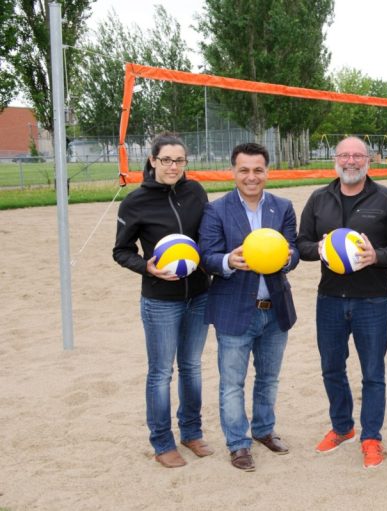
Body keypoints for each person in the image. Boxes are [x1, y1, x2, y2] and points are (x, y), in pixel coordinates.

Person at [296, 136, 387, 469]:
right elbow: (300, 244)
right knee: (332, 368)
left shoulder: (386, 199)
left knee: (373, 372)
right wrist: (318, 249)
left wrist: (377, 256)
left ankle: (371, 437)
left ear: (368, 160)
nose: (350, 161)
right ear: (336, 159)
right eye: (344, 155)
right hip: (329, 298)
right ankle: (342, 427)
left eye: (357, 156)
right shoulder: (319, 199)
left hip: (372, 300)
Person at [198, 142, 299, 472]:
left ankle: (264, 430)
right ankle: (238, 444)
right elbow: (207, 256)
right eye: (244, 170)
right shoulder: (217, 210)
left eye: (258, 170)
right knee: (232, 383)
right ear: (233, 172)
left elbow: (293, 251)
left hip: (275, 308)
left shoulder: (282, 207)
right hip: (233, 309)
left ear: (267, 172)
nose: (251, 177)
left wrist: (288, 258)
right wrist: (229, 260)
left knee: (268, 379)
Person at [113, 132, 212, 468]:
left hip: (199, 295)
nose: (173, 166)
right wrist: (148, 268)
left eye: (180, 160)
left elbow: (209, 235)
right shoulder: (135, 202)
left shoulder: (196, 191)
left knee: (192, 368)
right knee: (160, 373)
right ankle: (161, 442)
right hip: (160, 301)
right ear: (152, 160)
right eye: (167, 160)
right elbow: (121, 251)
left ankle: (191, 432)